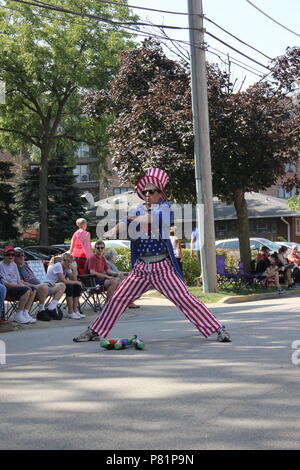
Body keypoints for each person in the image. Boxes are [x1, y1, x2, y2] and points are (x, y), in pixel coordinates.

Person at [74, 168, 231, 343]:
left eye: (151, 191)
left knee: (186, 299)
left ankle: (218, 329)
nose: (147, 194)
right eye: (144, 191)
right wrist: (112, 231)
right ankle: (94, 331)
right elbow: (125, 221)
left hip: (162, 268)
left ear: (160, 193)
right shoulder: (139, 209)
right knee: (118, 299)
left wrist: (130, 219)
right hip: (141, 268)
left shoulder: (164, 209)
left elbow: (150, 220)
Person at [14, 247, 66, 321]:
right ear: (14, 257)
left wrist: (45, 283)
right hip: (34, 288)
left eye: (23, 255)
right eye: (19, 256)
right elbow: (20, 282)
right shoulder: (15, 267)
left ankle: (51, 308)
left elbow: (35, 278)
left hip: (41, 286)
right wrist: (36, 286)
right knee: (44, 286)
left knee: (62, 285)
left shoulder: (25, 265)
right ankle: (41, 311)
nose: (22, 257)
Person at [0, 246, 36, 323]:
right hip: (8, 289)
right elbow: (5, 283)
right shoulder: (1, 265)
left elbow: (18, 281)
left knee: (33, 289)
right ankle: (18, 315)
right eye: (8, 254)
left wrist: (23, 285)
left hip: (16, 287)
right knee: (26, 290)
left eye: (12, 255)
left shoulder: (14, 265)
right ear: (4, 255)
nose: (10, 256)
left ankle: (25, 312)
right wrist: (21, 286)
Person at [45, 253, 84, 319]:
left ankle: (75, 311)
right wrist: (76, 282)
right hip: (49, 285)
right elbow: (64, 281)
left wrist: (74, 270)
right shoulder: (58, 266)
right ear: (62, 260)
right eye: (64, 260)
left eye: (68, 261)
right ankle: (70, 312)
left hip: (59, 285)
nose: (65, 262)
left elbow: (73, 279)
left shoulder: (67, 268)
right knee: (69, 286)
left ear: (71, 262)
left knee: (77, 286)